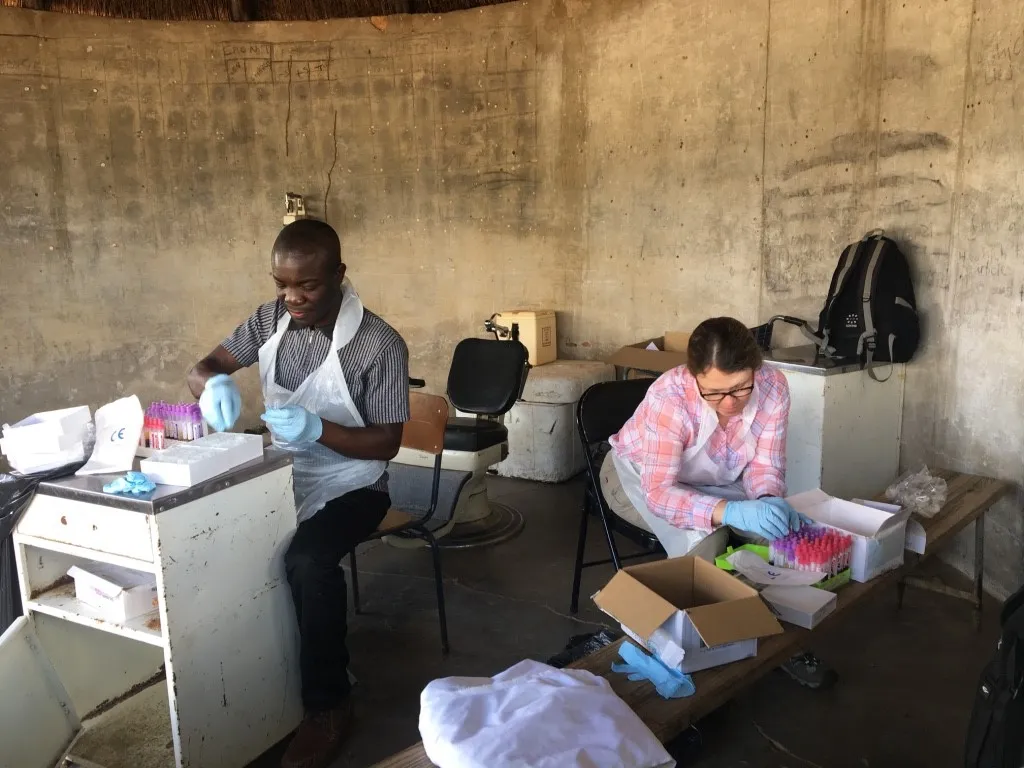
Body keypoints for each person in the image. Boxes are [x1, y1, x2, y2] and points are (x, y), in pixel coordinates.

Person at [187, 219, 409, 768]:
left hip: (355, 481)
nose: (293, 298)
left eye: (306, 286)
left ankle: (328, 704)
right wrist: (210, 384)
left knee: (309, 560)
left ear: (338, 274)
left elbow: (387, 444)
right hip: (284, 467)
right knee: (214, 530)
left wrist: (318, 430)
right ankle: (254, 671)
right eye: (282, 285)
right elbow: (207, 364)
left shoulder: (378, 343)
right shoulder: (270, 320)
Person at [601, 316, 833, 688]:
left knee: (773, 540)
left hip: (715, 479)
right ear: (694, 377)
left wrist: (768, 499)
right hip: (639, 477)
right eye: (714, 392)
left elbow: (765, 464)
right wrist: (730, 511)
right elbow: (660, 493)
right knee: (707, 550)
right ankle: (704, 652)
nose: (728, 403)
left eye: (740, 389)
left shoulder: (773, 386)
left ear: (756, 369)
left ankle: (769, 637)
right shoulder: (670, 396)